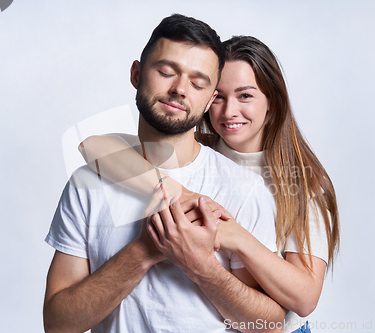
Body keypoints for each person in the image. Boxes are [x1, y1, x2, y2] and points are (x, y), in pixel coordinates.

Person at [79, 36, 340, 333]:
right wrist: (189, 196)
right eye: (218, 97)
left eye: (245, 96)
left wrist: (238, 238)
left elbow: (305, 298)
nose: (229, 112)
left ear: (272, 102)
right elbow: (93, 147)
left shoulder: (301, 182)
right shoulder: (196, 152)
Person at [44, 14, 286, 333]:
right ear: (137, 74)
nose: (179, 89)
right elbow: (58, 325)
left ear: (210, 98)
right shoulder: (87, 183)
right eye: (166, 72)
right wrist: (142, 252)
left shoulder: (243, 187)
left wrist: (202, 268)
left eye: (198, 83)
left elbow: (269, 326)